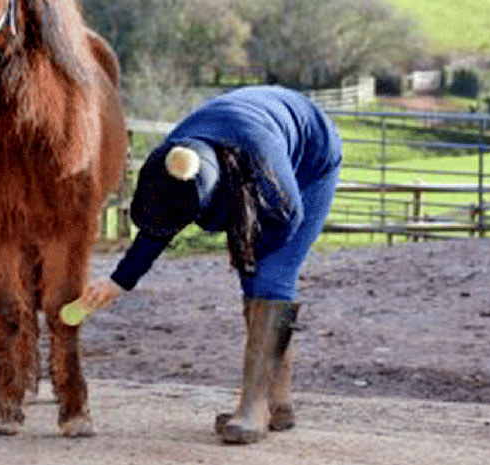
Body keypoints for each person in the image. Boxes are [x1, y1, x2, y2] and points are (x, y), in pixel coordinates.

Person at [80, 84, 342, 445]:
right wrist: (118, 281)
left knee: (270, 278)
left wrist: (248, 253)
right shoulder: (172, 160)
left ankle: (253, 410)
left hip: (311, 164)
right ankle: (276, 404)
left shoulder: (260, 158)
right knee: (256, 282)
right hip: (261, 139)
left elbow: (287, 219)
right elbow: (160, 225)